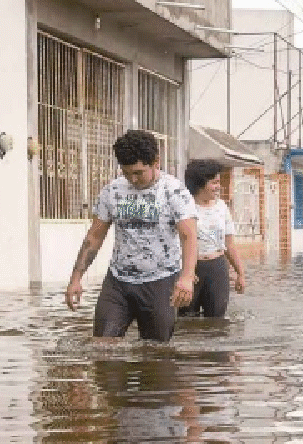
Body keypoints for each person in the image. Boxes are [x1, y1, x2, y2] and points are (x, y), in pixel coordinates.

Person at [64, 129, 198, 341]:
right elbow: (94, 237)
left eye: (138, 173)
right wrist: (76, 279)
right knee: (102, 346)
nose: (133, 179)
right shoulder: (113, 191)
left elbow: (188, 236)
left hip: (160, 281)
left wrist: (187, 277)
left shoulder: (174, 191)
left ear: (156, 162)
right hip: (118, 282)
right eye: (127, 173)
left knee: (155, 352)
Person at [180, 158, 245, 318]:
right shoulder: (184, 208)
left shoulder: (221, 207)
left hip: (217, 267)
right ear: (200, 184)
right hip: (191, 268)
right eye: (214, 182)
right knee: (186, 318)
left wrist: (240, 273)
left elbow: (229, 244)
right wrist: (185, 272)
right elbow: (176, 242)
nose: (219, 187)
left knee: (217, 319)